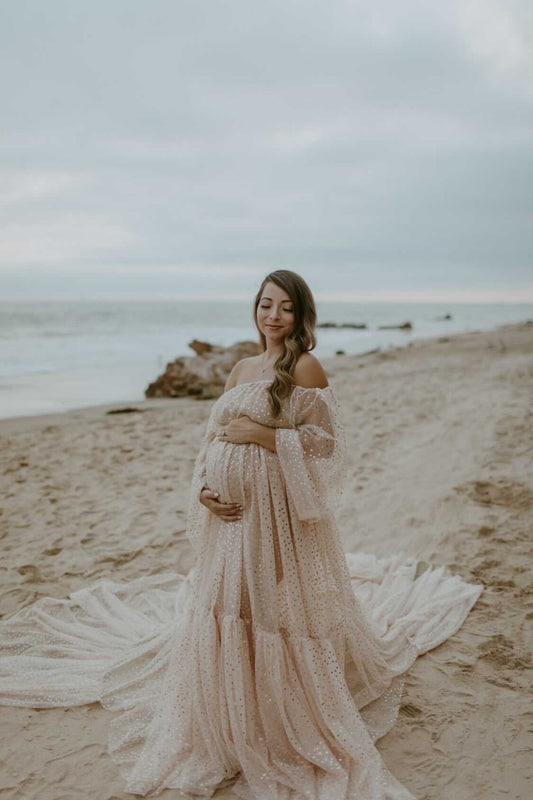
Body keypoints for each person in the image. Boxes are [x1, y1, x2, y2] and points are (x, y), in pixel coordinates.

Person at [0, 270, 483, 799]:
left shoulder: (305, 366)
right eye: (265, 305)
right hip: (231, 517)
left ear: (301, 316)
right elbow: (210, 439)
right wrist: (205, 489)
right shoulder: (240, 369)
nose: (273, 316)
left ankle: (278, 702)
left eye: (285, 308)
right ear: (255, 309)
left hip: (279, 516)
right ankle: (235, 693)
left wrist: (268, 436)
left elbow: (329, 446)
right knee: (233, 601)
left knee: (275, 602)